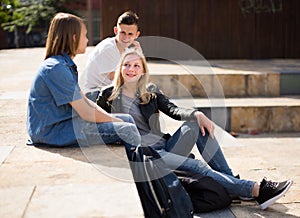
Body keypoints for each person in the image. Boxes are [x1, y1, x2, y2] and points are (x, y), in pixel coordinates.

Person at [96, 48, 293, 210]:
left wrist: (196, 114)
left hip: (165, 146)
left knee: (196, 125)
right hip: (148, 155)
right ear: (120, 68)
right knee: (197, 166)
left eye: (136, 65)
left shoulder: (151, 92)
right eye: (127, 65)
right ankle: (256, 190)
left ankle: (234, 185)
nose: (131, 69)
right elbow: (96, 122)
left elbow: (174, 110)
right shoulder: (108, 95)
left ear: (143, 71)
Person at [26, 13, 141, 157]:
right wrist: (116, 122)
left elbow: (85, 102)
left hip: (65, 123)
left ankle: (142, 153)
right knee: (127, 130)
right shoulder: (56, 68)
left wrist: (116, 120)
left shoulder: (64, 64)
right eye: (85, 35)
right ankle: (149, 169)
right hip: (53, 131)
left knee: (127, 120)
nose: (87, 40)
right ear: (74, 38)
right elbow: (86, 113)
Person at [81, 10, 141, 102]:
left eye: (130, 34)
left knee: (152, 97)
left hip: (109, 92)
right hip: (93, 95)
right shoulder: (108, 48)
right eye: (123, 33)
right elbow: (120, 80)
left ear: (137, 35)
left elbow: (139, 73)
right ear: (116, 31)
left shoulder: (131, 48)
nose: (126, 38)